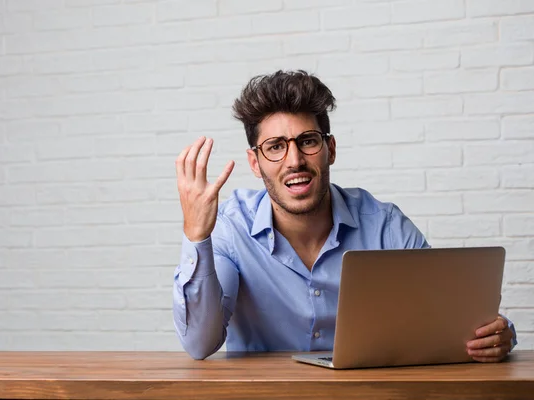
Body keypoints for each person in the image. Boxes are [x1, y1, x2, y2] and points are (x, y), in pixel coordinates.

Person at [172, 70, 517, 361]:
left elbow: (448, 320)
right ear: (255, 163)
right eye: (275, 147)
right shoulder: (231, 229)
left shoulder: (384, 226)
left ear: (330, 150)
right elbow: (200, 344)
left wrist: (496, 335)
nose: (294, 161)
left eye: (307, 141)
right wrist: (196, 236)